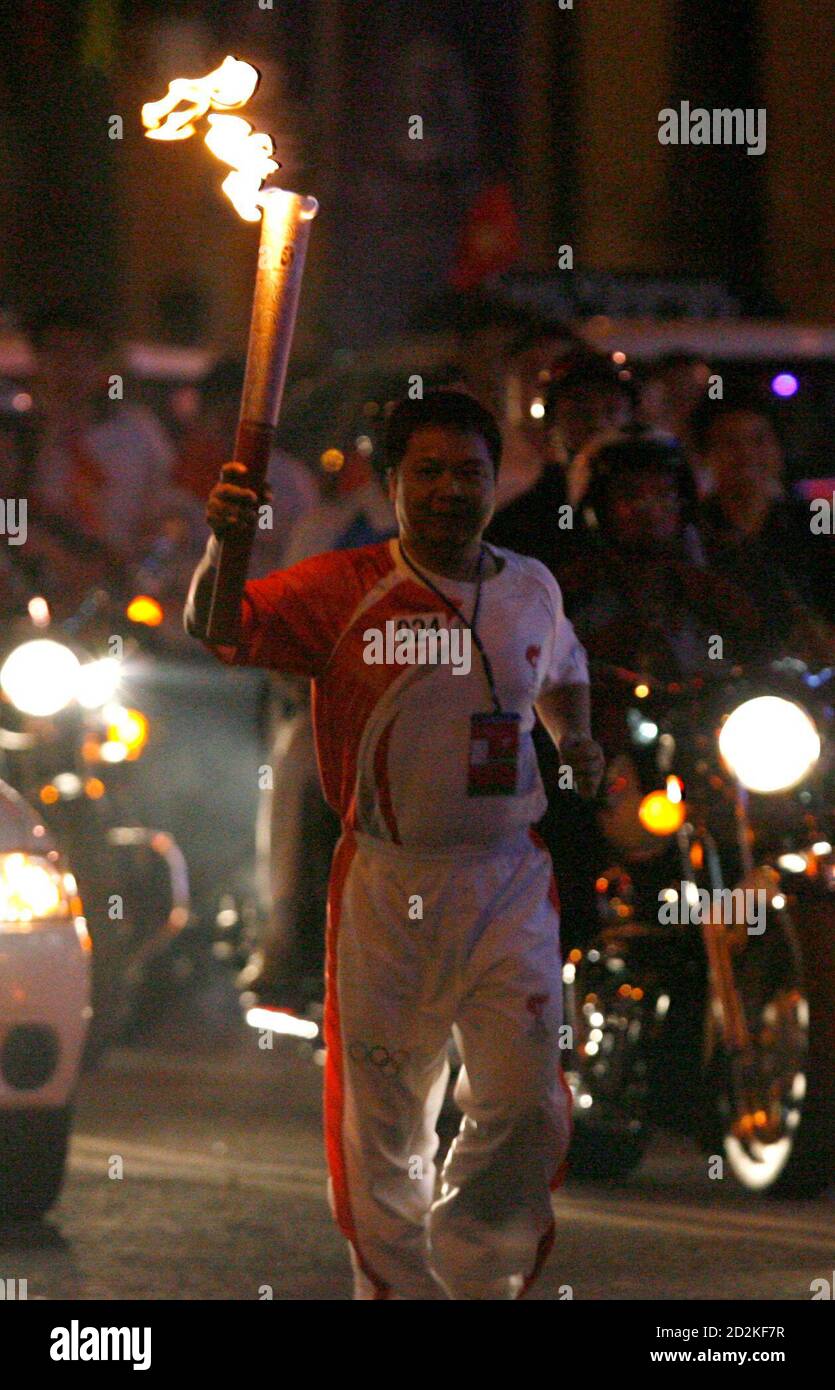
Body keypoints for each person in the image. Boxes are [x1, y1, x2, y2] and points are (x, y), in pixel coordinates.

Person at [184, 388, 604, 1300]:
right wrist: (227, 539)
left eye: (469, 472)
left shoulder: (530, 585)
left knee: (526, 1101)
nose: (451, 490)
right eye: (428, 472)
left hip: (507, 878)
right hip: (386, 882)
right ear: (390, 483)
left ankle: (478, 1275)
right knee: (383, 1119)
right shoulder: (342, 588)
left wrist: (573, 738)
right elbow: (217, 628)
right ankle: (397, 1293)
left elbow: (561, 671)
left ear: (496, 480)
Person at [694, 395, 834, 629]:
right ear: (708, 455)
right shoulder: (693, 527)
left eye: (758, 441)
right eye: (730, 442)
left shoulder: (813, 523)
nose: (746, 453)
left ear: (778, 450)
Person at [487, 351, 633, 568]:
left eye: (611, 410)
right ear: (552, 424)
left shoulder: (655, 493)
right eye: (580, 412)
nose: (598, 424)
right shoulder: (526, 517)